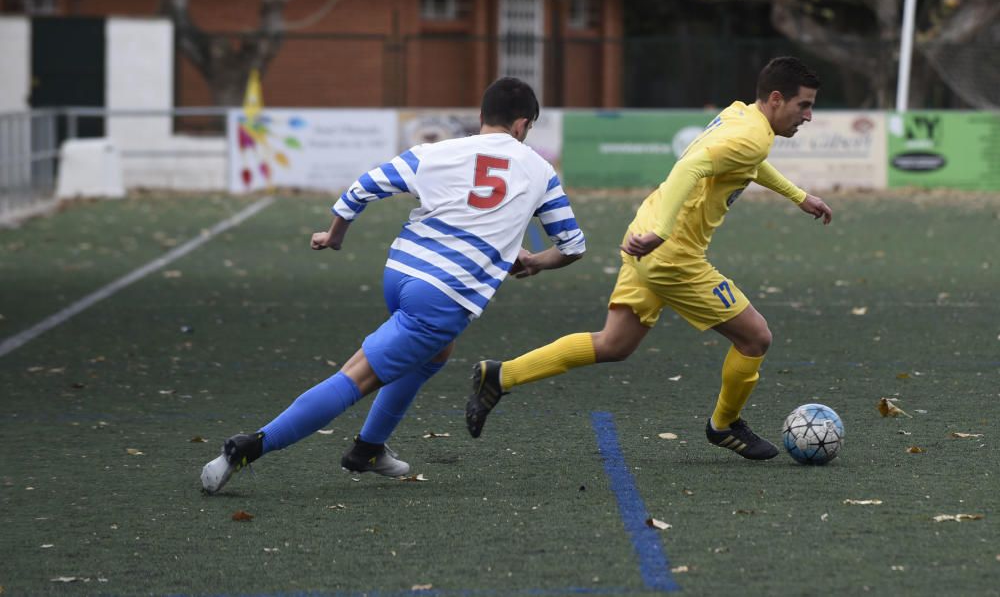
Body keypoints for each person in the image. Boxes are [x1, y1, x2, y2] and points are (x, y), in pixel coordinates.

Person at [201, 77, 586, 493]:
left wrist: (335, 234)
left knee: (436, 353)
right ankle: (248, 447)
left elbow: (362, 188)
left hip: (401, 274)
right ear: (522, 125)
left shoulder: (435, 152)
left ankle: (368, 448)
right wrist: (535, 262)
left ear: (480, 117)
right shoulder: (541, 171)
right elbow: (572, 245)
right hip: (444, 295)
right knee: (356, 379)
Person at [466, 57, 833, 460]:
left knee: (614, 344)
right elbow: (691, 167)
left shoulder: (741, 116)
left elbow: (747, 163)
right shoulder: (753, 136)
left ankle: (500, 376)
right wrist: (662, 231)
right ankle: (723, 425)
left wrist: (800, 196)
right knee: (756, 337)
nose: (809, 116)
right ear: (777, 99)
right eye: (804, 105)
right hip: (670, 252)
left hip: (642, 234)